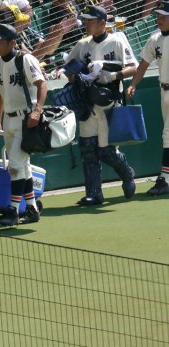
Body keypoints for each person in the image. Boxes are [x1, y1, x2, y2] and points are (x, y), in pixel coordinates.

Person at [65, 5, 138, 206]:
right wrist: (76, 76)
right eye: (86, 20)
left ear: (103, 23)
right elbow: (68, 69)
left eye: (91, 20)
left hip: (109, 102)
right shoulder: (82, 44)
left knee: (106, 150)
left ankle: (127, 173)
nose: (86, 24)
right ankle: (95, 194)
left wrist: (114, 75)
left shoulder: (117, 40)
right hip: (87, 102)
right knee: (88, 150)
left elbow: (134, 67)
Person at [0, 23, 47, 226]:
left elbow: (42, 84)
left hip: (26, 119)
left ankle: (13, 210)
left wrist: (37, 111)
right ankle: (31, 208)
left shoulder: (24, 59)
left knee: (14, 166)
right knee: (24, 168)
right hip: (9, 119)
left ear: (12, 42)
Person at [126, 1, 169, 196]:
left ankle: (165, 179)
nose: (159, 20)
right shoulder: (154, 39)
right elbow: (143, 65)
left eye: (164, 16)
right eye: (158, 16)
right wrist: (133, 84)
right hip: (163, 90)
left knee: (168, 136)